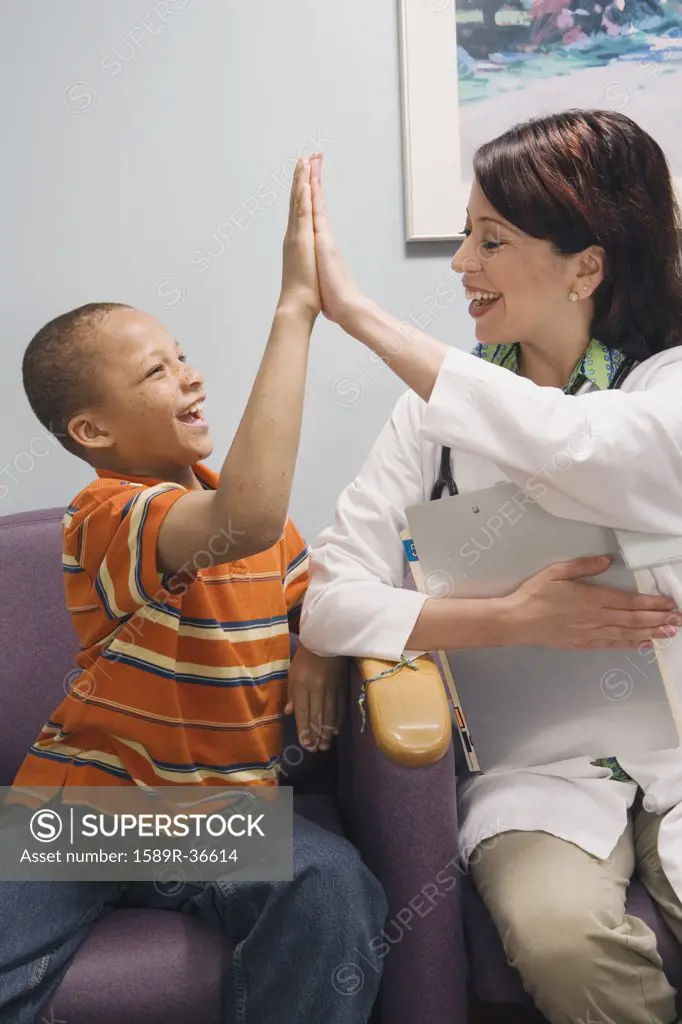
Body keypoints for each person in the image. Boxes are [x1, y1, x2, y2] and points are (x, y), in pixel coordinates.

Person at [299, 112, 682, 1024]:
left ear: (586, 266)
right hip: (534, 774)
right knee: (561, 941)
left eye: (491, 239)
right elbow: (329, 601)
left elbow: (574, 443)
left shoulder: (663, 391)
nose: (462, 264)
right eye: (467, 234)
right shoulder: (424, 421)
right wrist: (510, 621)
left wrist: (356, 314)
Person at [0, 157, 387, 1024]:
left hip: (212, 820)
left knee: (330, 885)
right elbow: (243, 515)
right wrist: (296, 310)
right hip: (79, 819)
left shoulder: (268, 532)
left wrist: (318, 639)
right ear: (92, 429)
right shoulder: (107, 515)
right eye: (156, 373)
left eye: (183, 358)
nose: (191, 377)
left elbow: (330, 588)